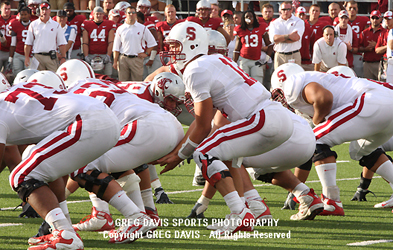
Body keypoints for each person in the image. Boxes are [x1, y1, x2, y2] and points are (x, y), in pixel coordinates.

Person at [157, 21, 321, 234]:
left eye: (175, 46)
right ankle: (250, 208)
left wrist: (179, 154)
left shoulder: (194, 70)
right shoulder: (216, 59)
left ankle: (240, 214)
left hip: (262, 118)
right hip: (275, 117)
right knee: (227, 154)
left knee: (204, 152)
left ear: (192, 45)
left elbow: (202, 124)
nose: (171, 52)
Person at [5, 71, 120, 249]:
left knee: (20, 176)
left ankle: (65, 235)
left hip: (88, 122)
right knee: (37, 168)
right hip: (102, 117)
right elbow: (53, 172)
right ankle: (62, 230)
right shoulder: (18, 99)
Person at [271, 63, 393, 216]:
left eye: (277, 94)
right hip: (385, 103)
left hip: (370, 102)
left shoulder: (292, 84)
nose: (279, 100)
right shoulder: (320, 80)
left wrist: (317, 122)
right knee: (360, 150)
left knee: (314, 140)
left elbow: (324, 98)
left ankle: (331, 201)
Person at [113, 6, 156, 81]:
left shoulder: (142, 28)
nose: (131, 14)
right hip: (123, 59)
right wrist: (115, 61)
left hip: (137, 59)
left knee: (137, 84)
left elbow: (152, 43)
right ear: (126, 14)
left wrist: (146, 53)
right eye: (129, 13)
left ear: (135, 14)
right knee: (123, 84)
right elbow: (116, 47)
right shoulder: (120, 29)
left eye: (133, 13)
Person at [24, 2, 67, 72]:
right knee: (36, 78)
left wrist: (63, 57)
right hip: (37, 56)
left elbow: (62, 43)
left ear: (50, 11)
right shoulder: (33, 24)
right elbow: (28, 43)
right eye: (42, 10)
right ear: (39, 11)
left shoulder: (56, 25)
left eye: (46, 9)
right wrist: (26, 57)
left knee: (53, 78)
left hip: (51, 57)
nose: (44, 12)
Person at [233, 10, 271, 85]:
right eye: (247, 16)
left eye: (251, 16)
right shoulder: (240, 29)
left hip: (256, 60)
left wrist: (266, 59)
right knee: (243, 83)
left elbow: (270, 45)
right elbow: (237, 49)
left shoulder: (261, 27)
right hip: (244, 60)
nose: (249, 18)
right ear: (243, 19)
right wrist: (234, 63)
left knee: (257, 84)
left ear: (254, 18)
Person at [334, 0, 370, 78]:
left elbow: (366, 34)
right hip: (336, 55)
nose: (352, 10)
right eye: (350, 8)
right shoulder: (335, 29)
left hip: (353, 55)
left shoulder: (355, 28)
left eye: (354, 8)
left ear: (357, 9)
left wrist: (350, 48)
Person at [269, 1, 304, 69]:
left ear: (292, 10)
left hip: (294, 54)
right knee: (279, 79)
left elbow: (295, 38)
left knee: (296, 78)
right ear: (280, 10)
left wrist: (279, 39)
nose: (286, 11)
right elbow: (273, 39)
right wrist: (289, 36)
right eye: (284, 9)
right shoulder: (274, 23)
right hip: (280, 55)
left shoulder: (298, 21)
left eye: (288, 9)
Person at [82, 6, 116, 76]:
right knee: (92, 77)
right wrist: (86, 56)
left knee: (107, 76)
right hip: (91, 55)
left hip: (104, 54)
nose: (99, 16)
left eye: (100, 14)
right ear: (93, 14)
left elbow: (111, 42)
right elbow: (85, 42)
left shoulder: (109, 24)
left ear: (103, 14)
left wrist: (108, 55)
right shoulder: (87, 24)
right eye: (97, 14)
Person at [359, 10, 385, 80]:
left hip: (380, 63)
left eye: (377, 18)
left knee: (381, 84)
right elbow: (359, 47)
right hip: (367, 63)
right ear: (370, 19)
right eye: (373, 18)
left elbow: (388, 47)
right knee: (368, 85)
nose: (374, 20)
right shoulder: (364, 32)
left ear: (381, 19)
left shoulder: (385, 32)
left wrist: (376, 45)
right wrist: (366, 49)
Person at [9, 7, 31, 76]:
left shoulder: (34, 25)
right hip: (18, 54)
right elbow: (13, 43)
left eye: (25, 14)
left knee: (28, 75)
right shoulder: (15, 25)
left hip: (30, 55)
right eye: (22, 15)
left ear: (29, 15)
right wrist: (10, 58)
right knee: (17, 75)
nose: (23, 16)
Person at [376, 11, 393, 82]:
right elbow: (377, 50)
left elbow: (391, 46)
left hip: (391, 60)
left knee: (389, 85)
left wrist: (387, 46)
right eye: (385, 19)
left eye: (389, 19)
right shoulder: (384, 32)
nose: (387, 21)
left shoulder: (392, 31)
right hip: (386, 60)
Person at [295, 6, 314, 71]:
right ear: (295, 15)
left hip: (306, 62)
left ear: (305, 16)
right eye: (299, 15)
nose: (301, 17)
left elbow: (313, 45)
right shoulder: (291, 28)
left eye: (303, 15)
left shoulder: (309, 29)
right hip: (294, 61)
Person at [0, 1, 17, 72]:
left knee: (8, 75)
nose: (7, 11)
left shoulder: (15, 19)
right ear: (1, 9)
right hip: (0, 50)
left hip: (10, 51)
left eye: (9, 9)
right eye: (5, 9)